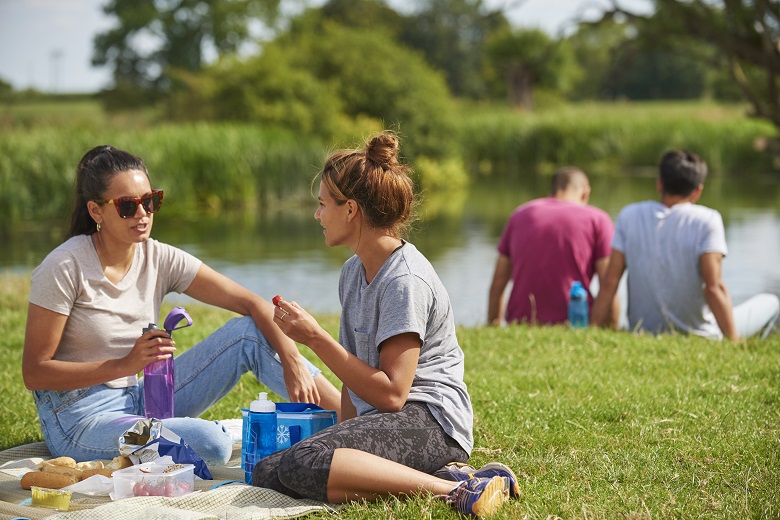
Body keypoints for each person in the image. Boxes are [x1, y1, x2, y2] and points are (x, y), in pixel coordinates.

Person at [252, 132, 519, 517]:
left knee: (302, 461)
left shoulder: (404, 281)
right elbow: (352, 378)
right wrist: (339, 435)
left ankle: (455, 488)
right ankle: (441, 475)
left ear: (350, 210)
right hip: (388, 421)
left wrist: (315, 339)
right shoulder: (352, 272)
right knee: (268, 471)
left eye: (322, 205)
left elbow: (394, 394)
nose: (317, 215)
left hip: (431, 421)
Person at [22, 145, 341, 467]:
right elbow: (34, 373)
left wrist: (292, 362)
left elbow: (252, 303)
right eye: (127, 206)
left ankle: (353, 422)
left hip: (141, 398)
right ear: (96, 211)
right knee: (211, 444)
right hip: (81, 419)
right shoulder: (64, 266)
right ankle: (215, 431)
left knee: (247, 334)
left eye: (150, 201)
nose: (143, 214)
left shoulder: (157, 256)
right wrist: (125, 365)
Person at [591, 149, 779, 340]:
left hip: (642, 331)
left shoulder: (628, 216)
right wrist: (733, 340)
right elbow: (713, 287)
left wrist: (592, 330)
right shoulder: (707, 220)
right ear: (698, 191)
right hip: (700, 335)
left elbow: (610, 282)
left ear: (659, 184)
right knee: (770, 302)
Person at [488, 166, 617, 326]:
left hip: (521, 322)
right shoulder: (598, 219)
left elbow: (499, 279)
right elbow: (609, 281)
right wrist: (612, 329)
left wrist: (492, 324)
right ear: (585, 193)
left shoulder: (519, 215)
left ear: (553, 190)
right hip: (575, 323)